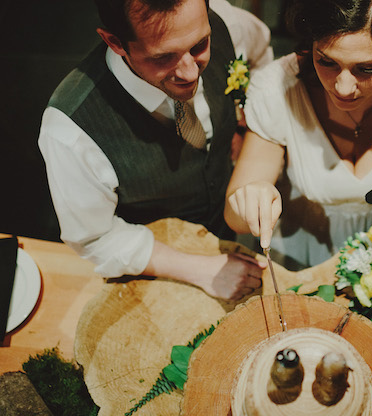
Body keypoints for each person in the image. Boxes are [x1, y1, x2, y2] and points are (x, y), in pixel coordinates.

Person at [39, 0, 274, 301]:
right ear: (115, 42)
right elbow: (94, 238)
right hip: (164, 266)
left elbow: (260, 49)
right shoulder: (70, 130)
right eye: (164, 58)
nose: (189, 72)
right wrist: (198, 269)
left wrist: (245, 123)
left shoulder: (222, 20)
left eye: (199, 45)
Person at [225, 0, 372, 269]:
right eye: (327, 61)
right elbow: (235, 219)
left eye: (367, 68)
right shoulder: (277, 89)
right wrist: (248, 200)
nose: (343, 87)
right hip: (302, 251)